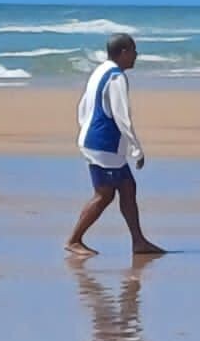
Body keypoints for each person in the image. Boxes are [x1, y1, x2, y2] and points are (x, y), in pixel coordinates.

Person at [66, 33, 163, 258]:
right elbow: (122, 116)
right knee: (104, 195)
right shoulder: (116, 77)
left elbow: (83, 105)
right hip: (103, 145)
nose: (136, 55)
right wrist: (136, 148)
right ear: (123, 52)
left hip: (95, 141)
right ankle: (74, 240)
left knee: (128, 187)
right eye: (134, 50)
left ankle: (138, 241)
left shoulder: (100, 70)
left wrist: (85, 130)